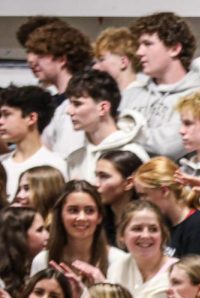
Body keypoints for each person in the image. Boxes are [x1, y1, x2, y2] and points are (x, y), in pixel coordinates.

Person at [123, 12, 200, 160]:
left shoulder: (197, 98)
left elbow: (167, 147)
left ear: (174, 49)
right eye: (139, 45)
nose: (139, 52)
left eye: (148, 44)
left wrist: (125, 132)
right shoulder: (131, 94)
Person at [21, 20, 91, 159]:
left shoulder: (76, 103)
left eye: (40, 54)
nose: (31, 60)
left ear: (61, 59)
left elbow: (66, 155)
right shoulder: (55, 102)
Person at [63, 70, 149, 183]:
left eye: (77, 104)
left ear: (103, 108)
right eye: (70, 103)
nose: (68, 111)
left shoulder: (133, 154)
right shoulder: (75, 158)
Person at [0, 86, 67, 199]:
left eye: (6, 114)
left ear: (31, 118)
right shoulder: (2, 162)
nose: (1, 121)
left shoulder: (55, 164)